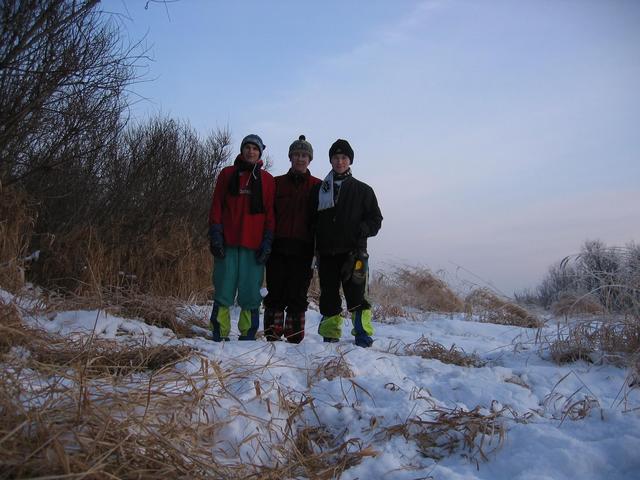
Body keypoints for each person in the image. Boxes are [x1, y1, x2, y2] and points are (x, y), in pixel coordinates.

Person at [311, 139, 382, 347]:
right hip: (327, 253)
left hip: (354, 253)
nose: (339, 161)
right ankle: (330, 335)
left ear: (349, 160)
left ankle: (362, 334)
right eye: (335, 157)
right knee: (329, 297)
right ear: (331, 160)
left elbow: (376, 220)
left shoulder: (363, 190)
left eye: (343, 157)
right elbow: (312, 221)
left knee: (358, 296)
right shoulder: (321, 189)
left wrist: (364, 230)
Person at [208, 134, 275, 341]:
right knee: (224, 287)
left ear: (260, 153)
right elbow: (217, 205)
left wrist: (268, 241)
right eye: (247, 147)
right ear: (242, 150)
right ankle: (219, 331)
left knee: (250, 292)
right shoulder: (227, 174)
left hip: (254, 245)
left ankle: (248, 333)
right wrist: (216, 234)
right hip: (228, 242)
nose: (251, 151)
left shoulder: (267, 180)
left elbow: (270, 213)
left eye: (255, 148)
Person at [263, 135, 321, 343]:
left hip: (304, 249)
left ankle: (295, 337)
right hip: (277, 247)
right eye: (296, 154)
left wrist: (320, 249)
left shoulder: (318, 186)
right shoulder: (276, 183)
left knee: (298, 295)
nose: (300, 159)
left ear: (310, 159)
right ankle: (272, 334)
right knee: (275, 292)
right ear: (290, 157)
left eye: (304, 155)